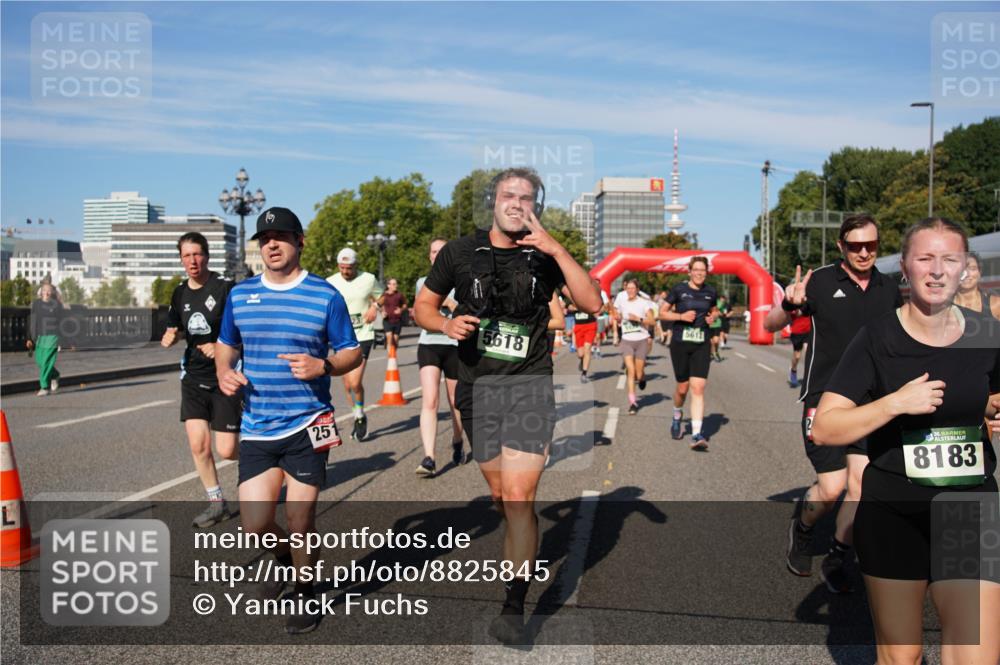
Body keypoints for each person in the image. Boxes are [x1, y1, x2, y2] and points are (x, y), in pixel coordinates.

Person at [413, 167, 601, 644]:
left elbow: (593, 303)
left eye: (526, 198)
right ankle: (523, 537)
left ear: (536, 204)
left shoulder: (546, 254)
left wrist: (556, 249)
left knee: (519, 497)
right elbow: (424, 306)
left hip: (529, 386)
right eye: (508, 195)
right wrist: (444, 325)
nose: (516, 204)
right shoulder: (459, 252)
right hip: (477, 389)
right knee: (501, 498)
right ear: (492, 202)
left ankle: (513, 605)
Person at [812, 217, 1000, 665]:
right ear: (906, 269)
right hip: (893, 512)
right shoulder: (878, 338)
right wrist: (894, 404)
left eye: (949, 259)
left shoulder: (986, 333)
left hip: (968, 509)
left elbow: (990, 394)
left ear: (964, 268)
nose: (937, 270)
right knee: (902, 657)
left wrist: (992, 407)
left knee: (976, 656)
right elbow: (825, 427)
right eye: (925, 259)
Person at [216, 207, 361, 635]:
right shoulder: (241, 295)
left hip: (309, 421)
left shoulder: (325, 295)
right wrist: (225, 370)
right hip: (258, 425)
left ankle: (306, 588)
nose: (272, 244)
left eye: (281, 236)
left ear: (300, 242)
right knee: (256, 523)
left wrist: (325, 366)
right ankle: (284, 558)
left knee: (301, 519)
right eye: (265, 238)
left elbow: (351, 351)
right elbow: (227, 344)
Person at [764, 213, 902, 593]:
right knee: (831, 488)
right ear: (841, 246)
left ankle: (839, 554)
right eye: (855, 245)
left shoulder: (889, 288)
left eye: (870, 245)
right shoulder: (821, 282)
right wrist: (789, 303)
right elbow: (770, 326)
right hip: (823, 399)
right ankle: (804, 527)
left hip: (870, 403)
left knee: (860, 484)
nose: (863, 252)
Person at [161, 232, 242, 528]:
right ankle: (216, 502)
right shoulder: (179, 293)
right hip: (193, 376)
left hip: (225, 376)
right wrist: (171, 336)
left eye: (197, 254)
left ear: (206, 256)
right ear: (181, 259)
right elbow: (176, 327)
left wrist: (222, 347)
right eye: (186, 255)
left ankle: (266, 458)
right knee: (198, 446)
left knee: (227, 450)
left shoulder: (225, 289)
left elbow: (243, 330)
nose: (192, 261)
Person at [415, 239, 466, 477]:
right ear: (429, 256)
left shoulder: (462, 283)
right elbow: (419, 314)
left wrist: (450, 303)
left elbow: (468, 315)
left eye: (442, 252)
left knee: (455, 401)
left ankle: (457, 439)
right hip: (429, 344)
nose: (438, 255)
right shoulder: (422, 284)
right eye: (434, 252)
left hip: (455, 346)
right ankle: (429, 457)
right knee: (430, 400)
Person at [660, 257, 718, 451]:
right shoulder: (679, 290)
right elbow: (662, 313)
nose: (700, 273)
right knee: (682, 389)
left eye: (703, 270)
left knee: (699, 387)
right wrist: (680, 316)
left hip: (702, 342)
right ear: (690, 271)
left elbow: (714, 309)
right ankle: (677, 415)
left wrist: (713, 317)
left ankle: (696, 434)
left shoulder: (711, 292)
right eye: (696, 270)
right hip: (680, 343)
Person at [327, 247, 384, 441]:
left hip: (363, 334)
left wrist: (375, 307)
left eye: (349, 268)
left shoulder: (368, 278)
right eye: (342, 268)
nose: (345, 272)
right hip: (341, 336)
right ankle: (358, 414)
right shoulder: (331, 282)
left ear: (355, 265)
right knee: (346, 383)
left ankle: (360, 416)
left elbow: (382, 295)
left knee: (354, 381)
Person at [614, 279, 656, 414]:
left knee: (638, 373)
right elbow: (617, 315)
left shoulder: (644, 303)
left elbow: (653, 321)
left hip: (641, 340)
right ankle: (633, 402)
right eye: (628, 288)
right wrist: (616, 316)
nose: (630, 291)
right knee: (630, 371)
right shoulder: (622, 303)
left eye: (633, 288)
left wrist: (639, 319)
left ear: (637, 289)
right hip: (627, 340)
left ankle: (642, 378)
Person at [27, 283, 65, 396]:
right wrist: (29, 338)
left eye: (49, 291)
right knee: (40, 361)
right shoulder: (36, 304)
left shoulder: (57, 305)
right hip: (40, 337)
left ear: (52, 292)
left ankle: (44, 387)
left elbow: (63, 322)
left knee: (46, 362)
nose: (47, 293)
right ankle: (55, 375)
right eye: (45, 290)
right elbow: (32, 321)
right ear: (41, 292)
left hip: (53, 336)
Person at [954, 251, 1000, 319]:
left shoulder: (996, 304)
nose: (967, 274)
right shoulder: (942, 306)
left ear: (979, 273)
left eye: (972, 268)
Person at [381, 277, 408, 353]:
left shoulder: (399, 295)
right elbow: (379, 305)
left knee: (395, 341)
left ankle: (393, 355)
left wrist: (401, 310)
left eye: (396, 284)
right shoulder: (384, 295)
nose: (395, 285)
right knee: (389, 338)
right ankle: (390, 358)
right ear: (388, 285)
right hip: (387, 320)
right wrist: (382, 312)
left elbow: (405, 305)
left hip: (397, 321)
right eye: (393, 284)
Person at [787, 310, 811, 388]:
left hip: (808, 331)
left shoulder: (808, 300)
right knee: (797, 356)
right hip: (797, 332)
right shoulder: (792, 302)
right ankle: (793, 370)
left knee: (808, 352)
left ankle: (809, 377)